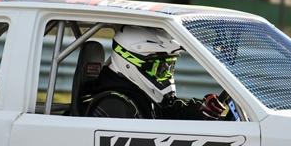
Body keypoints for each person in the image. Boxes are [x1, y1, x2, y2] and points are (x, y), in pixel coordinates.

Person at [82, 26, 228, 120]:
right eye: (161, 68)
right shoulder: (115, 104)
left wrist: (199, 111)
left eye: (170, 67)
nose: (166, 74)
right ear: (130, 62)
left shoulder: (136, 95)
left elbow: (167, 112)